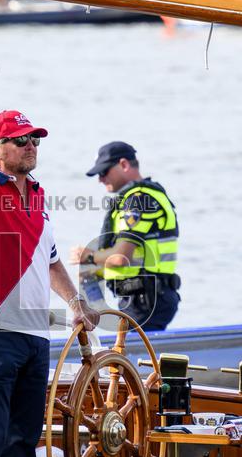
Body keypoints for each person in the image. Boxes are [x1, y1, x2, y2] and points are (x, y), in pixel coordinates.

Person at [0, 46, 99, 457]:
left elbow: (50, 261)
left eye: (33, 139)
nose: (31, 145)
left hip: (35, 336)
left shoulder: (37, 197)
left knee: (24, 442)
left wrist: (75, 302)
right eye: (20, 141)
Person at [69, 142, 180, 331]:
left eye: (104, 172)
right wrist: (95, 271)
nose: (100, 180)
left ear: (124, 164)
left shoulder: (139, 200)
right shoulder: (138, 197)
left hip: (146, 302)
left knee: (125, 358)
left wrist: (88, 256)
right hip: (144, 299)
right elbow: (136, 261)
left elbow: (121, 257)